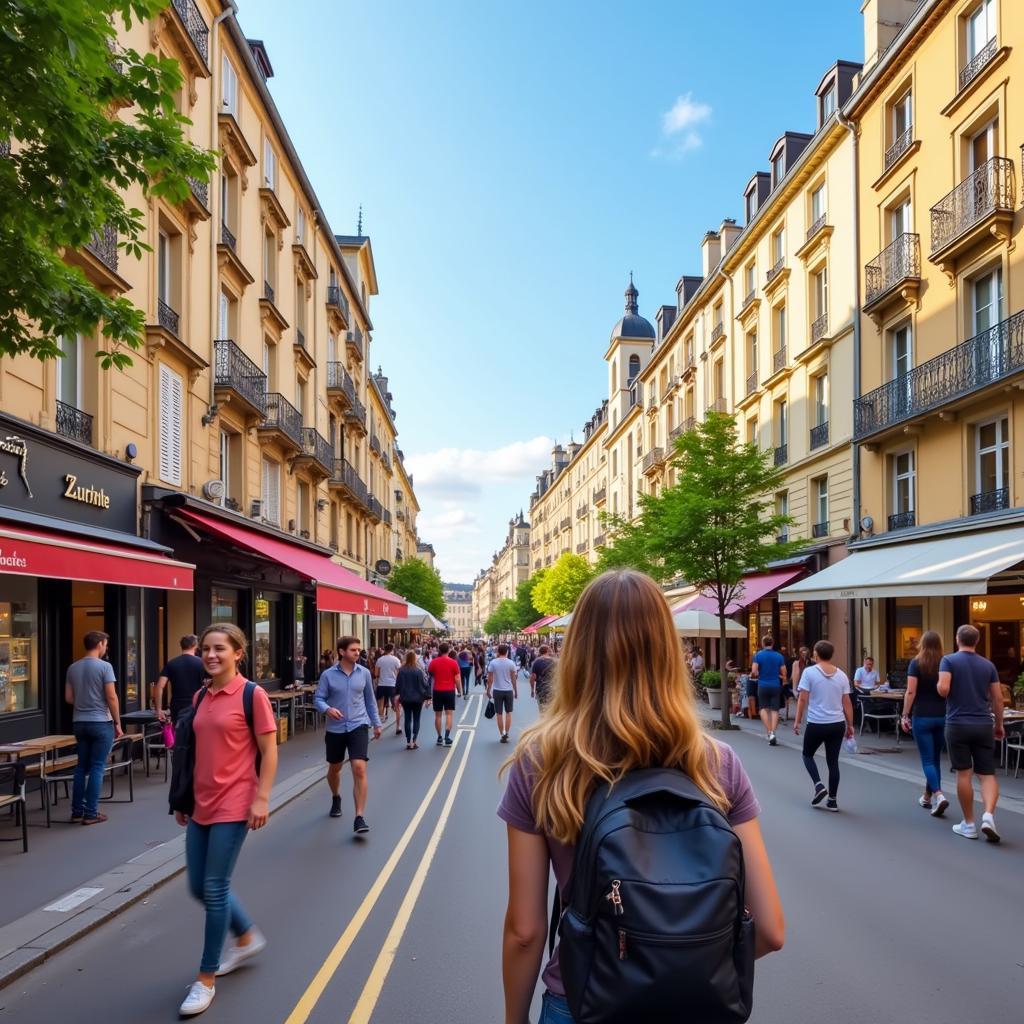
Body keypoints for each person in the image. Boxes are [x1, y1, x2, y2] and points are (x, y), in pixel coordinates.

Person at [498, 570, 784, 1024]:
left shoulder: (542, 760)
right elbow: (768, 930)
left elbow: (526, 932)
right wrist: (680, 970)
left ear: (577, 653)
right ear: (668, 652)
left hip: (580, 1001)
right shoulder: (717, 762)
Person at [176, 624, 278, 1018]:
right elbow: (192, 753)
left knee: (215, 887)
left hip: (235, 803)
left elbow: (269, 752)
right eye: (205, 648)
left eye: (220, 648)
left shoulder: (253, 695)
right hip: (201, 802)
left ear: (239, 653)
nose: (211, 654)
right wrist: (183, 799)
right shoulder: (202, 695)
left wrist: (262, 797)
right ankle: (247, 935)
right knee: (197, 887)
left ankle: (205, 979)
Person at [938, 624, 1003, 842]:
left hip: (957, 723)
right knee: (987, 775)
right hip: (983, 723)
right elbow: (998, 698)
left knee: (964, 773)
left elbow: (944, 689)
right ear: (977, 641)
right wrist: (999, 724)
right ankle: (988, 815)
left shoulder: (948, 660)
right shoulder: (988, 665)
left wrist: (941, 685)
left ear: (958, 639)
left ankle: (969, 824)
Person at [314, 636, 382, 835]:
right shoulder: (328, 675)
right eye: (353, 649)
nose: (357, 652)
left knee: (359, 768)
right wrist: (327, 709)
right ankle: (336, 796)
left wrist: (376, 723)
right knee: (334, 768)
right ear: (342, 652)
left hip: (358, 725)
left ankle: (359, 817)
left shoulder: (365, 673)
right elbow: (318, 698)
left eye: (358, 649)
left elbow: (370, 699)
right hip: (335, 728)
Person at [64, 630, 123, 825]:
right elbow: (111, 697)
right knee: (98, 766)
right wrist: (117, 722)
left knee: (81, 766)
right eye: (105, 644)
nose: (106, 648)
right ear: (99, 644)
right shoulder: (105, 667)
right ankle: (91, 812)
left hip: (79, 722)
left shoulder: (73, 668)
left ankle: (76, 811)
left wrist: (84, 702)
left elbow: (69, 698)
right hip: (100, 722)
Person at [792, 640, 854, 812]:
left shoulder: (809, 673)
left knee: (807, 754)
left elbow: (802, 698)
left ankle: (819, 785)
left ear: (816, 654)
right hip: (837, 723)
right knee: (833, 762)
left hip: (817, 723)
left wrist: (797, 721)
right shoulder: (841, 675)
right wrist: (850, 724)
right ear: (831, 655)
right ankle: (832, 800)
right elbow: (847, 702)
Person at [901, 630, 949, 818]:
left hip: (922, 715)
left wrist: (905, 714)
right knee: (935, 758)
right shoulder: (946, 663)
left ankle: (939, 794)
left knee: (928, 760)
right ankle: (927, 797)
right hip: (942, 715)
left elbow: (911, 692)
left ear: (922, 643)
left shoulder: (916, 663)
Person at [154, 634, 205, 726]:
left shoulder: (171, 664)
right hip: (198, 705)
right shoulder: (202, 663)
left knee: (179, 735)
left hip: (177, 706)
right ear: (195, 646)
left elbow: (159, 686)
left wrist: (159, 709)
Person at [751, 635, 787, 745]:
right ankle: (773, 732)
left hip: (763, 685)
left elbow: (754, 672)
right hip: (775, 685)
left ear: (763, 643)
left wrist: (757, 674)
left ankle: (769, 732)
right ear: (772, 643)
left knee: (762, 708)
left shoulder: (758, 655)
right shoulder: (779, 656)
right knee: (775, 710)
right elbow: (784, 673)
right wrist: (779, 676)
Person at [429, 642, 462, 747]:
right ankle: (447, 736)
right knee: (449, 714)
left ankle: (439, 737)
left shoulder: (434, 662)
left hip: (437, 690)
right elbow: (457, 678)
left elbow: (430, 673)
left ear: (439, 650)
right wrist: (459, 690)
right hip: (449, 690)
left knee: (438, 715)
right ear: (448, 651)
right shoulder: (453, 662)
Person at [396, 650, 430, 749]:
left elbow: (398, 685)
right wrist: (428, 697)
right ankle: (414, 741)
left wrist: (397, 695)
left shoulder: (401, 671)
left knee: (407, 718)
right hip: (418, 698)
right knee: (416, 719)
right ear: (415, 659)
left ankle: (407, 741)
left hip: (405, 698)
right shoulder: (418, 671)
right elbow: (425, 684)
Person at [487, 643, 518, 743]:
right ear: (507, 652)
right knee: (508, 713)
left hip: (497, 690)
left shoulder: (493, 663)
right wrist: (515, 690)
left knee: (499, 714)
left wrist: (488, 690)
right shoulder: (511, 663)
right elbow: (514, 678)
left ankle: (502, 734)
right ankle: (507, 732)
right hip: (508, 690)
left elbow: (490, 678)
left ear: (498, 652)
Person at [374, 643, 402, 736]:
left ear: (384, 650)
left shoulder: (380, 660)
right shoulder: (396, 660)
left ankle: (379, 728)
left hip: (382, 684)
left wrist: (378, 680)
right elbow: (399, 674)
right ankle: (398, 727)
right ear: (392, 650)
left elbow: (376, 673)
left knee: (380, 707)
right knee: (397, 707)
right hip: (393, 685)